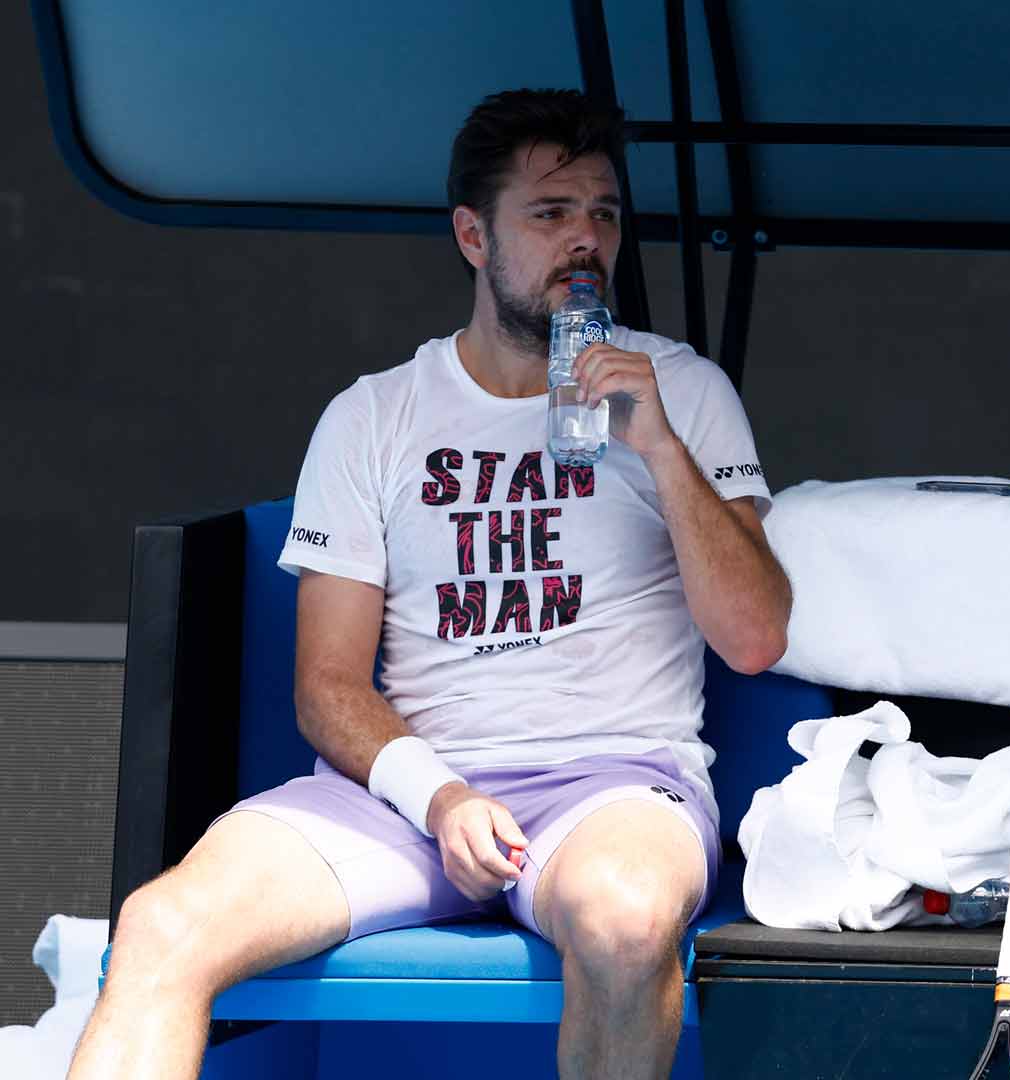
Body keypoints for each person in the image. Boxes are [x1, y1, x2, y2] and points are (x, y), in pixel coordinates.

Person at [68, 89, 791, 1080]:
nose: (584, 240)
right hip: (412, 794)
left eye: (604, 215)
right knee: (161, 926)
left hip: (615, 782)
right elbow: (326, 688)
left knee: (626, 924)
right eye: (549, 215)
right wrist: (441, 796)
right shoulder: (375, 418)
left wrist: (659, 448)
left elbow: (755, 638)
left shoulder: (684, 392)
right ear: (473, 236)